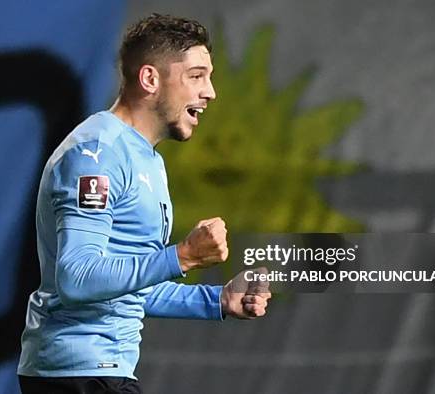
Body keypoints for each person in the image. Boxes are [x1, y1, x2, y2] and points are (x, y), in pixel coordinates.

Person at [17, 14, 271, 394]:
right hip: (80, 375)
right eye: (196, 76)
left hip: (97, 372)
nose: (210, 92)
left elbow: (126, 284)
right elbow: (77, 278)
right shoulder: (97, 155)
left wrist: (217, 300)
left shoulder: (144, 158)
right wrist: (182, 256)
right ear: (150, 79)